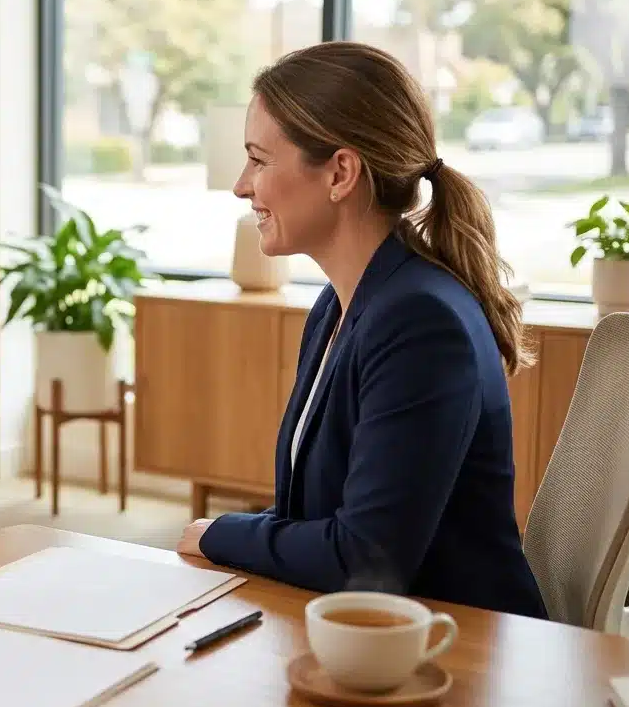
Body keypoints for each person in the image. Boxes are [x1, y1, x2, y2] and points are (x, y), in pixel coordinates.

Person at [176, 42, 548, 619]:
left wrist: (219, 533)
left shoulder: (421, 323)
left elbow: (365, 558)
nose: (242, 185)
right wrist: (232, 534)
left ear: (340, 173)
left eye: (259, 160)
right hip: (369, 633)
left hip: (455, 647)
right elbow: (312, 517)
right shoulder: (338, 305)